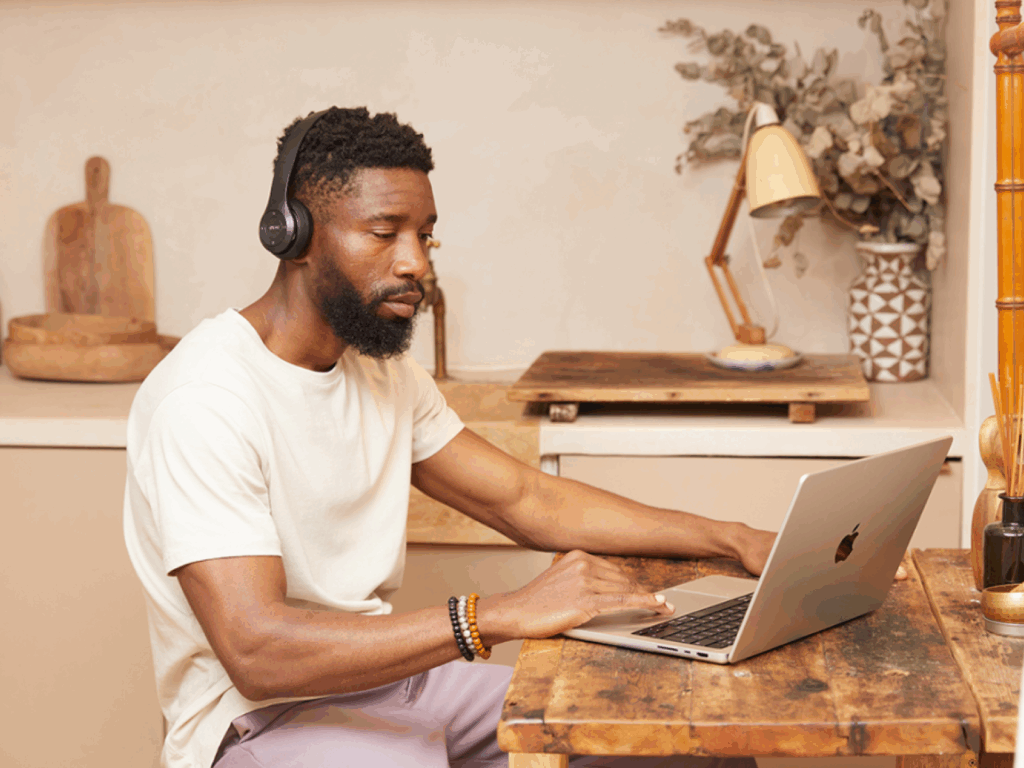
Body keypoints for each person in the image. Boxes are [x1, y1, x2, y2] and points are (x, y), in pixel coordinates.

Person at [123, 106, 776, 768]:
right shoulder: (206, 398)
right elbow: (259, 650)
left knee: (686, 740)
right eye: (384, 233)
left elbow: (525, 499)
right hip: (260, 719)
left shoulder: (380, 370)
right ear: (296, 234)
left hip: (392, 682)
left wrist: (733, 537)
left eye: (425, 236)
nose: (415, 263)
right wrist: (493, 615)